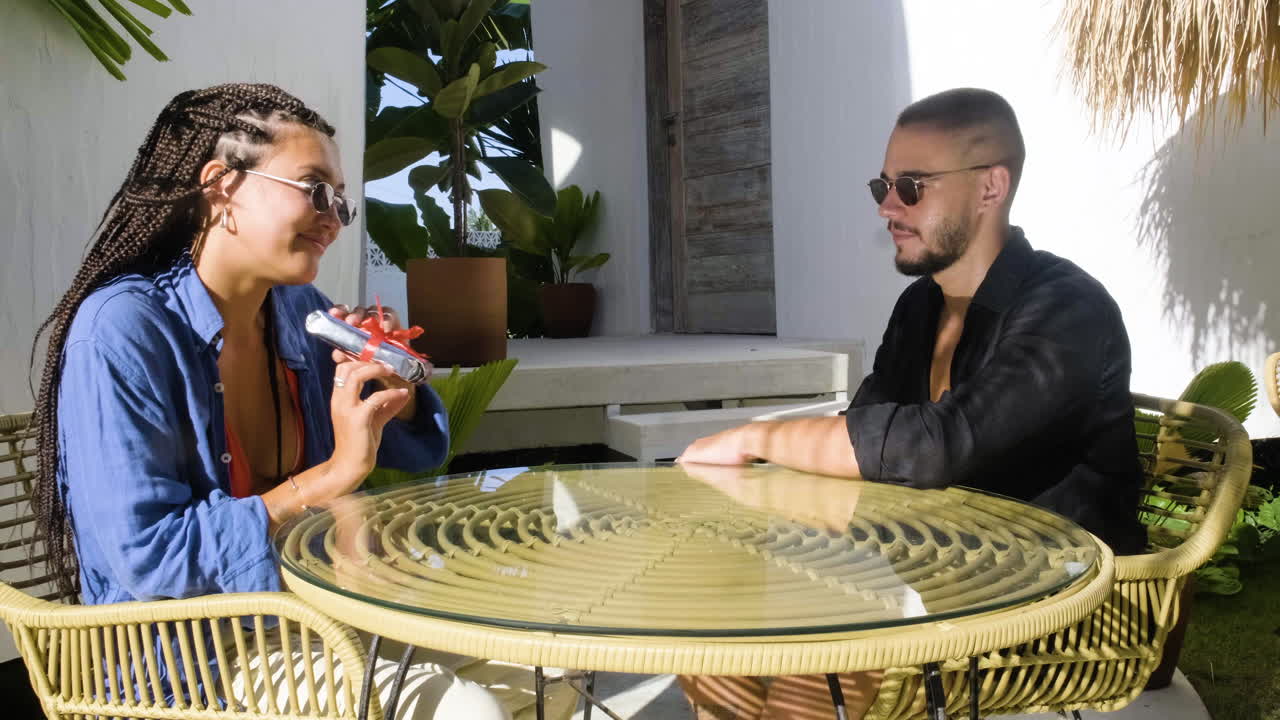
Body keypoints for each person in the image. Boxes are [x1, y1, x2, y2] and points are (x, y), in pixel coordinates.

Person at [29, 83, 512, 719]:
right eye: (315, 190)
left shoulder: (300, 315)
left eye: (341, 201)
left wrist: (394, 389)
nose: (334, 218)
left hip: (314, 612)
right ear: (221, 185)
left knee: (549, 656)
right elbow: (150, 554)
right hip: (186, 659)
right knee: (469, 709)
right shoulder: (123, 329)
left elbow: (419, 450)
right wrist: (336, 473)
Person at [677, 87, 1147, 719]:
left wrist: (756, 437)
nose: (888, 208)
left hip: (1056, 597)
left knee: (814, 677)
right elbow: (865, 437)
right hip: (936, 564)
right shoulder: (921, 307)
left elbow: (932, 445)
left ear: (990, 188)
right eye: (882, 187)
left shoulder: (1067, 309)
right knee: (713, 635)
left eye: (912, 187)